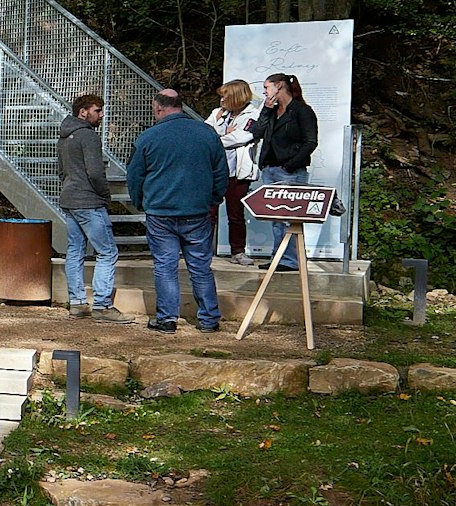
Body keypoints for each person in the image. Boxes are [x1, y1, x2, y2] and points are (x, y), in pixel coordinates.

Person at [127, 89, 228, 333]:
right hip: (197, 211)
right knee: (201, 266)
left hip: (160, 212)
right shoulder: (207, 133)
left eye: (154, 110)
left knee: (165, 266)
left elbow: (135, 175)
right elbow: (221, 172)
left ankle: (167, 319)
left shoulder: (148, 137)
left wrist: (140, 202)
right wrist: (213, 199)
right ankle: (209, 319)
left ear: (159, 108)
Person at [56, 94, 126, 321]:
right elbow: (95, 172)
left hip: (70, 198)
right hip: (89, 201)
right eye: (98, 110)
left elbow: (61, 171)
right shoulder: (88, 136)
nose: (102, 114)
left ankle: (77, 302)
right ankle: (103, 305)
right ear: (83, 112)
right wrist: (105, 195)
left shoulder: (65, 136)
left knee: (75, 251)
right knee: (107, 252)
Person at [250, 72, 320, 270]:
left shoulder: (301, 111)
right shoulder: (272, 110)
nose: (264, 92)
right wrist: (265, 110)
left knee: (288, 218)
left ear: (279, 86)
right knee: (276, 218)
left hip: (289, 171)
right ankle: (278, 257)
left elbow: (311, 142)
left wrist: (290, 165)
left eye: (266, 87)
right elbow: (257, 132)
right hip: (270, 169)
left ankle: (289, 260)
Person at [206, 80, 263, 265]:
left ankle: (238, 252)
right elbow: (205, 134)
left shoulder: (253, 114)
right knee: (209, 212)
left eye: (225, 96)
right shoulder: (217, 113)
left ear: (236, 98)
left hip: (237, 172)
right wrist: (224, 135)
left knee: (236, 214)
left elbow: (243, 137)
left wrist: (219, 137)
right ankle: (203, 251)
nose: (222, 99)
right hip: (214, 171)